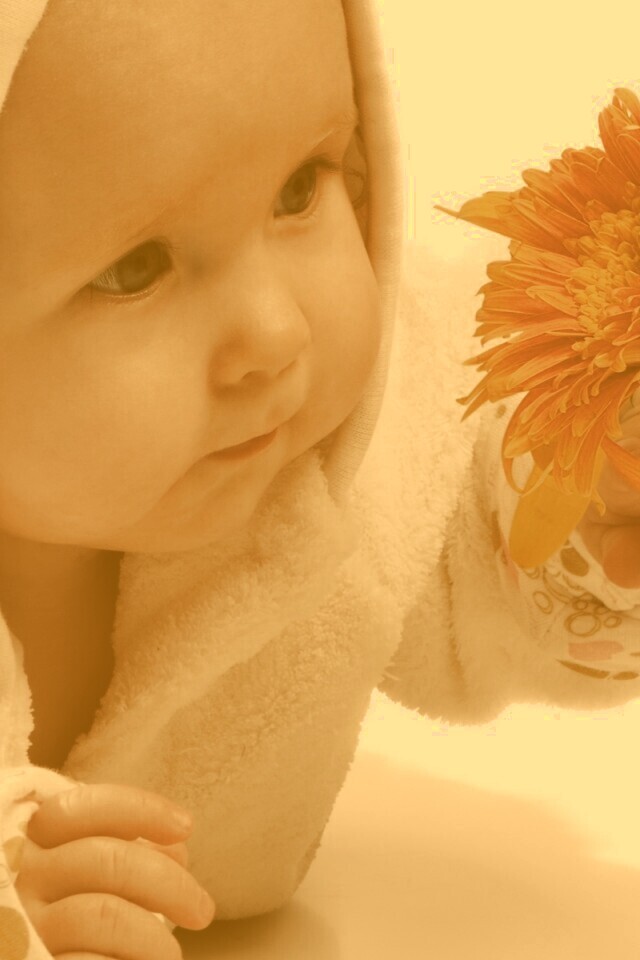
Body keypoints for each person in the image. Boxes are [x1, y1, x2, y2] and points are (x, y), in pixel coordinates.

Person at [1, 0, 640, 957]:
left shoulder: (334, 451)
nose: (276, 332)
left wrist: (583, 480)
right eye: (136, 269)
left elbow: (467, 520)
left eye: (299, 189)